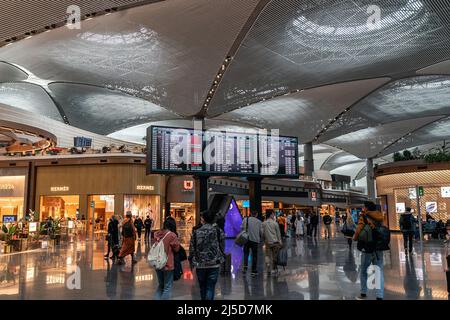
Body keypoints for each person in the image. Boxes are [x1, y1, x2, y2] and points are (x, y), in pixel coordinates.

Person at [189, 210, 225, 300]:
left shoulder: (196, 232)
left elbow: (192, 248)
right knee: (210, 287)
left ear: (203, 219)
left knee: (202, 287)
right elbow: (222, 245)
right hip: (214, 263)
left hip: (200, 264)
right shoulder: (218, 231)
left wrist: (192, 261)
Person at [353, 201, 385, 300]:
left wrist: (354, 238)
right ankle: (379, 296)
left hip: (367, 247)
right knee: (378, 271)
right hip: (378, 247)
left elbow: (359, 230)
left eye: (364, 207)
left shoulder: (364, 216)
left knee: (363, 270)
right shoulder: (380, 216)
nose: (363, 208)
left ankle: (363, 293)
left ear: (367, 208)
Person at [153, 220, 180, 300]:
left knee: (161, 285)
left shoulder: (157, 234)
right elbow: (176, 249)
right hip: (168, 263)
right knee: (167, 287)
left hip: (157, 263)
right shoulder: (172, 235)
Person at [241, 211, 263, 276]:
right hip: (255, 240)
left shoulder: (245, 219)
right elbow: (261, 232)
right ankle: (253, 271)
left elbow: (241, 228)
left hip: (246, 240)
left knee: (246, 254)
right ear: (256, 214)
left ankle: (245, 268)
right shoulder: (259, 222)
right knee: (254, 255)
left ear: (250, 214)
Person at [262, 211, 282, 276]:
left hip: (267, 242)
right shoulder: (275, 223)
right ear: (270, 215)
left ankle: (268, 269)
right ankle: (274, 269)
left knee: (267, 255)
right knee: (275, 256)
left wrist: (264, 239)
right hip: (275, 242)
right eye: (273, 214)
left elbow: (262, 233)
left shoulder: (264, 223)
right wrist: (280, 241)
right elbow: (278, 233)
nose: (274, 216)